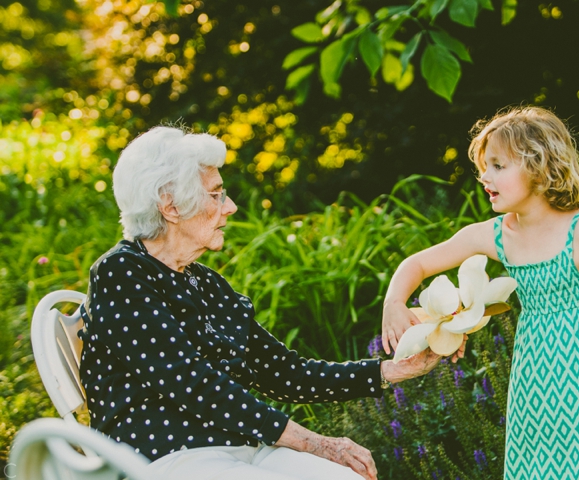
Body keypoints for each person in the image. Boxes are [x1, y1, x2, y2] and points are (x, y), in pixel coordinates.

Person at [78, 125, 442, 480]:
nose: (231, 206)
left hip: (240, 448)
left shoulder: (203, 282)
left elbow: (285, 372)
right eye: (216, 194)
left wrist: (393, 370)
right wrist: (314, 442)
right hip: (166, 460)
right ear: (170, 206)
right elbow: (194, 384)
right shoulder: (121, 272)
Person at [381, 106, 579, 479]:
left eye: (499, 166)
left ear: (539, 168)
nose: (485, 176)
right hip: (537, 381)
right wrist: (394, 302)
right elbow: (416, 265)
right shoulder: (496, 235)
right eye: (485, 166)